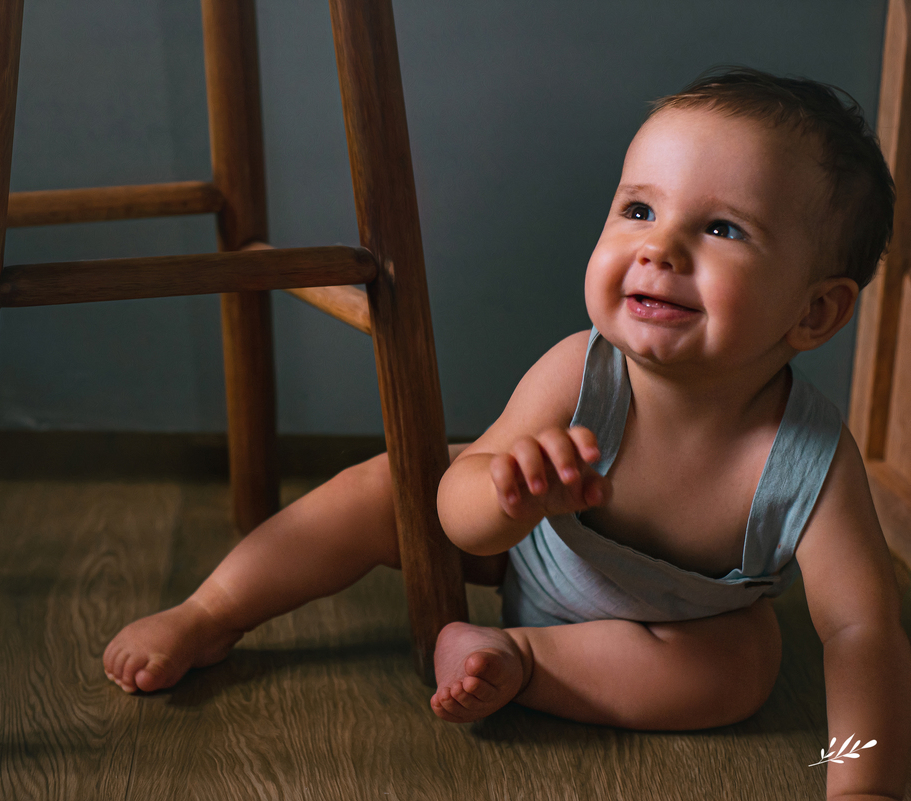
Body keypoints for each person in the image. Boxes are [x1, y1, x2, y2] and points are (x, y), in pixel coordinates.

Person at [104, 68, 911, 799]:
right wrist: (506, 495)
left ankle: (522, 659)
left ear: (816, 311)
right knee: (387, 486)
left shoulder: (811, 460)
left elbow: (861, 629)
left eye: (724, 229)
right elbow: (458, 517)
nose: (658, 248)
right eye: (639, 209)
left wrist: (865, 782)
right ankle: (211, 611)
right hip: (525, 550)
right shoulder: (578, 372)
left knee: (745, 665)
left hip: (671, 633)